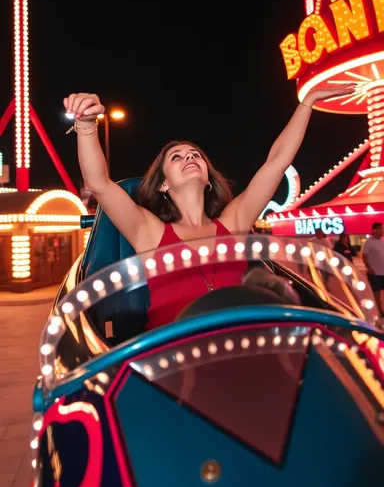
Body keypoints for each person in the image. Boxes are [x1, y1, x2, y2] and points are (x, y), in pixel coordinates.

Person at [64, 83, 356, 328]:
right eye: (176, 157)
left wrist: (307, 103)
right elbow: (99, 183)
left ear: (207, 179)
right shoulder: (149, 232)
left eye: (196, 155)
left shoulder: (234, 223)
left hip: (240, 346)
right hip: (173, 358)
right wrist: (87, 123)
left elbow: (276, 163)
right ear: (163, 184)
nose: (189, 157)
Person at [362, 222, 384, 316]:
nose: (382, 230)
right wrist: (368, 267)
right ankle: (380, 310)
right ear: (374, 230)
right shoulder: (369, 242)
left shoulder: (383, 240)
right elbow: (364, 256)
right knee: (377, 293)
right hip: (374, 273)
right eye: (381, 229)